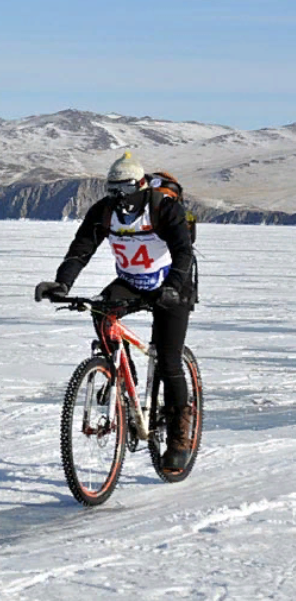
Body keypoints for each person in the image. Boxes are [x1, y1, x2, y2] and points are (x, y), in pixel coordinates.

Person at [34, 151, 197, 471]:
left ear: (140, 185)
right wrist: (62, 284)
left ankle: (180, 435)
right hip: (131, 282)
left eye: (123, 189)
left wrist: (174, 287)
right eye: (111, 190)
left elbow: (183, 252)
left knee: (168, 360)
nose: (117, 197)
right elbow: (81, 249)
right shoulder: (104, 211)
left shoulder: (164, 208)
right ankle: (121, 372)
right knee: (101, 312)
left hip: (171, 286)